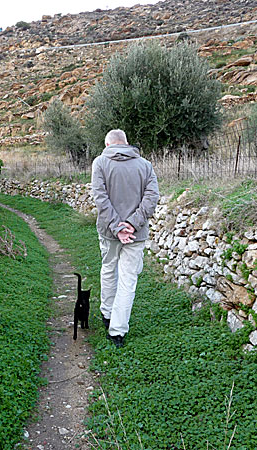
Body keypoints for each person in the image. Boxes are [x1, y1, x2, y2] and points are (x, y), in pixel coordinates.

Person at [91, 129, 160, 348]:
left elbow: (100, 198)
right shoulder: (145, 165)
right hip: (136, 234)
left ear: (107, 143)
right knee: (128, 279)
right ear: (126, 143)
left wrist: (117, 227)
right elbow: (152, 198)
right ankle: (118, 331)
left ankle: (107, 313)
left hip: (109, 232)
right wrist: (131, 224)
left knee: (109, 269)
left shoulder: (100, 163)